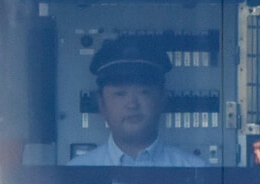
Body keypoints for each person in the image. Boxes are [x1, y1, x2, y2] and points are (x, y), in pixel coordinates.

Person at [76, 35, 200, 167]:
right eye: (120, 94)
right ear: (102, 105)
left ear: (163, 100)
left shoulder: (195, 170)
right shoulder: (77, 174)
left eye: (144, 92)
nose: (132, 105)